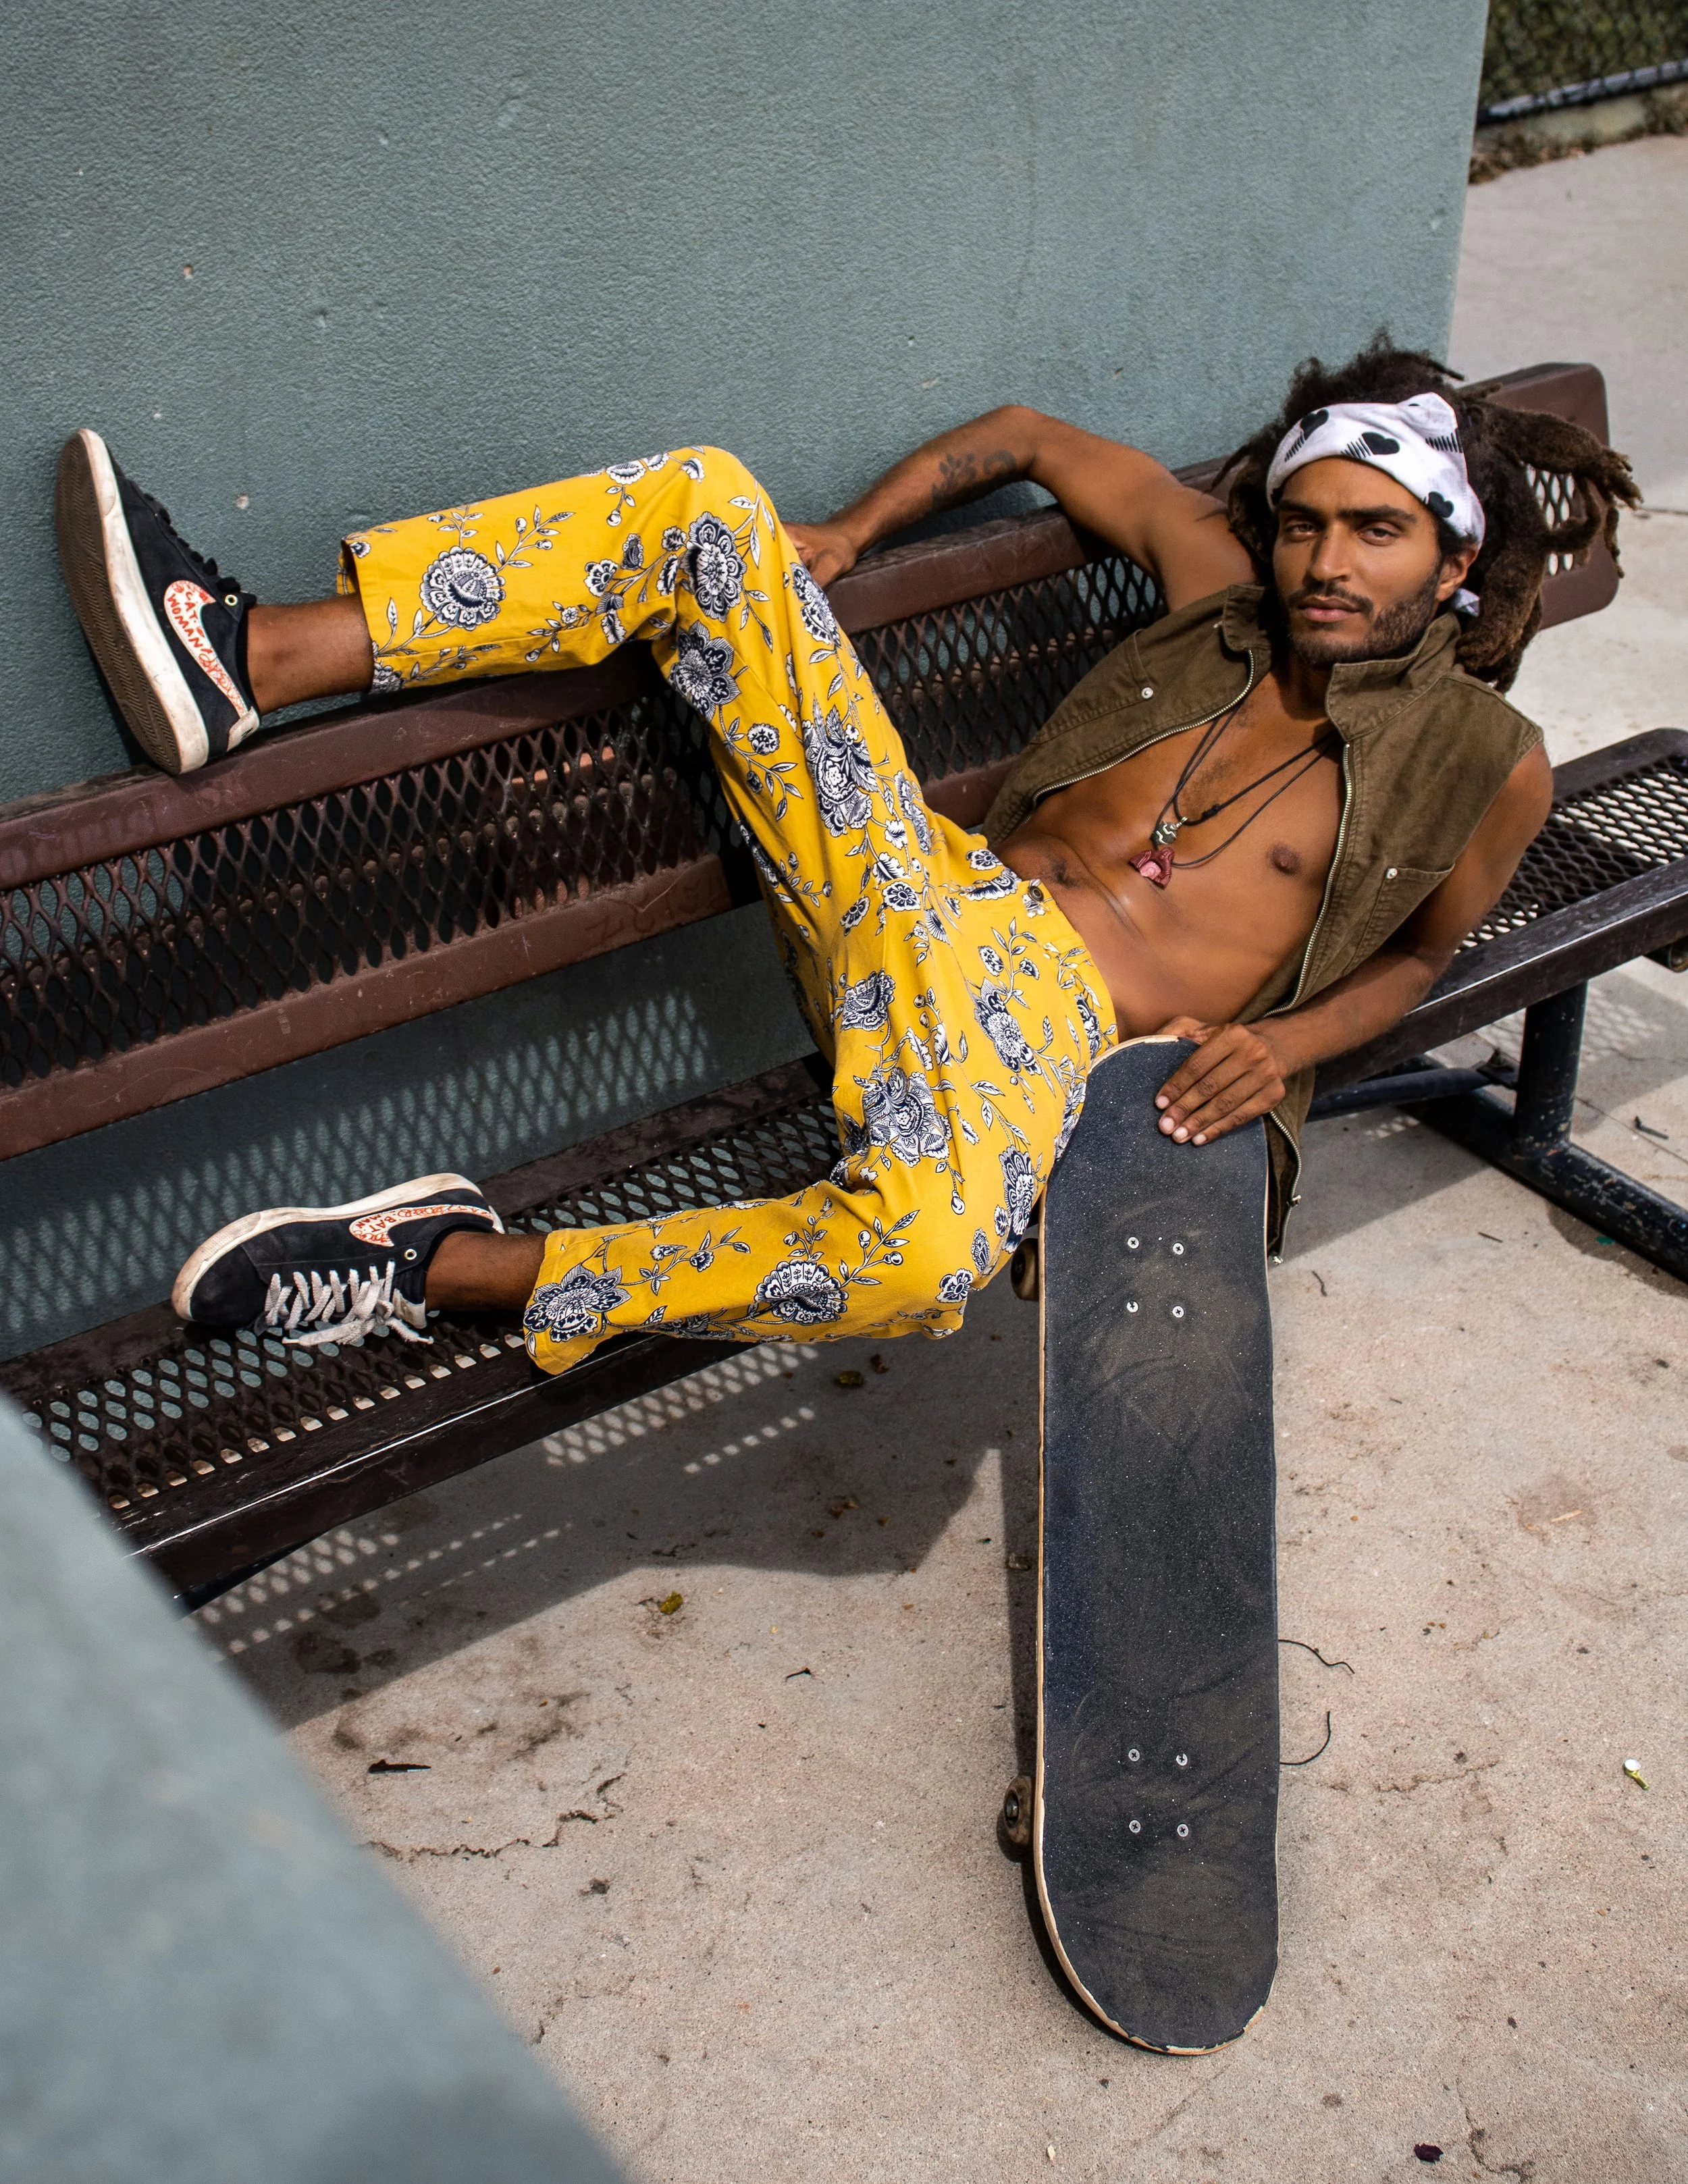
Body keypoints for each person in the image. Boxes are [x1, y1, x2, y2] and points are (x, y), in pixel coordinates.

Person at [53, 338, 1637, 1372]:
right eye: (1309, 521)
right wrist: (861, 532)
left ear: (1453, 558)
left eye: (1374, 533)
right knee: (705, 514)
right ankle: (248, 657)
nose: (1324, 560)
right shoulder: (1213, 578)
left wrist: (1283, 1042)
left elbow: (1424, 956)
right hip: (923, 888)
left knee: (917, 1260)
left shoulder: (1478, 764)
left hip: (1046, 1045)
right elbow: (1022, 432)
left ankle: (436, 1265)